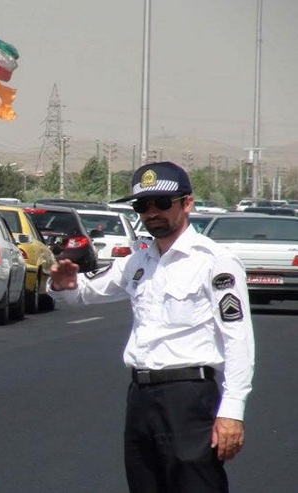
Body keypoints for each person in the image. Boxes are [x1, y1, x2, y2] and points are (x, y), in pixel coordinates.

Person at [49, 161, 254, 492]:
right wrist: (63, 283)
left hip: (189, 397)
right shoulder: (138, 259)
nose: (151, 212)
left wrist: (232, 411)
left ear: (187, 203)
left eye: (162, 203)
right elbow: (84, 295)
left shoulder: (214, 261)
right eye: (142, 205)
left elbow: (238, 340)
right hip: (142, 397)